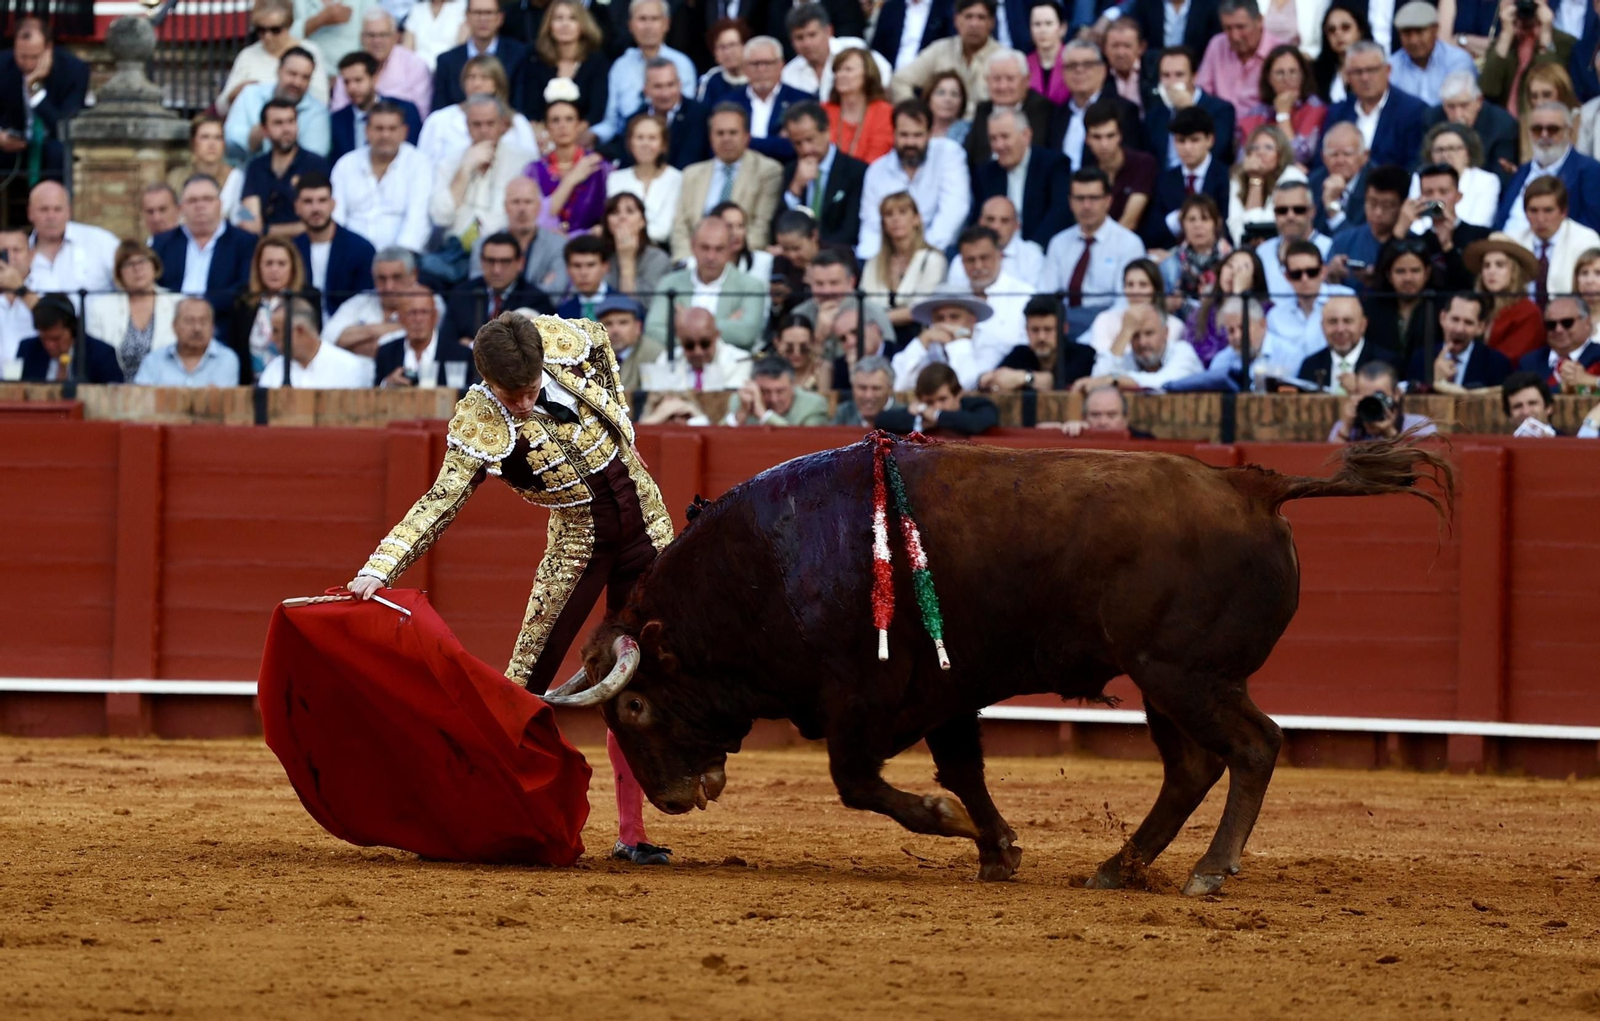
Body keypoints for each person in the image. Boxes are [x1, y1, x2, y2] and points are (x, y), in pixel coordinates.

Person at [345, 309, 676, 862]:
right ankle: (489, 819)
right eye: (510, 394)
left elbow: (599, 337)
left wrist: (622, 422)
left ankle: (633, 833)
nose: (522, 403)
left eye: (530, 390)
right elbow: (439, 503)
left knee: (644, 680)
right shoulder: (479, 422)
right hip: (579, 543)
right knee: (523, 686)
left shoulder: (561, 341)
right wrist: (379, 569)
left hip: (647, 521)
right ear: (486, 379)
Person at [857, 100, 972, 259]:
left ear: (930, 133)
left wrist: (919, 255)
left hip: (939, 252)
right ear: (894, 133)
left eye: (917, 135)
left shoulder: (949, 154)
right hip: (889, 258)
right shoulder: (876, 171)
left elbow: (953, 212)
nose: (910, 142)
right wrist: (872, 263)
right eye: (904, 135)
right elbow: (872, 226)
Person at [670, 104, 783, 260]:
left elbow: (760, 229)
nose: (726, 139)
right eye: (720, 133)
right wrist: (690, 260)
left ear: (747, 136)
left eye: (733, 132)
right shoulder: (692, 174)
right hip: (694, 261)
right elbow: (680, 228)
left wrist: (723, 259)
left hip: (741, 261)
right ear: (710, 137)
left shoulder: (767, 171)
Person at [1043, 168, 1148, 335]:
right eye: (1080, 198)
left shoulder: (1129, 244)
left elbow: (1124, 303)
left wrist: (1092, 335)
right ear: (1070, 202)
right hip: (1062, 326)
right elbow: (1046, 294)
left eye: (1093, 198)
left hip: (1107, 327)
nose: (1086, 206)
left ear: (1108, 201)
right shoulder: (1058, 243)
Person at [151, 176, 258, 334]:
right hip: (169, 325)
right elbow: (154, 285)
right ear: (181, 207)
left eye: (207, 199)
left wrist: (198, 310)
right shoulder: (163, 243)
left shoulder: (244, 242)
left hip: (223, 326)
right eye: (192, 200)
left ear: (220, 204)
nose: (200, 205)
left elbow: (243, 288)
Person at [429, 95, 537, 249]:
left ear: (502, 125)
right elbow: (441, 217)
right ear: (467, 126)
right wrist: (465, 169)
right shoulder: (450, 162)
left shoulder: (524, 162)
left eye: (490, 123)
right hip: (456, 250)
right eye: (476, 124)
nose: (484, 130)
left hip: (506, 249)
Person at [644, 217, 765, 350]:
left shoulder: (751, 286)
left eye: (719, 249)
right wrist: (721, 327)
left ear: (730, 249)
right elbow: (652, 330)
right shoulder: (670, 283)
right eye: (705, 248)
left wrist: (685, 325)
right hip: (678, 360)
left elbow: (746, 334)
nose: (711, 257)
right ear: (693, 246)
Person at [330, 103, 433, 252]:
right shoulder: (346, 164)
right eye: (379, 128)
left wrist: (397, 258)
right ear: (367, 131)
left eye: (392, 129)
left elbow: (417, 220)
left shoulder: (419, 164)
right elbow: (337, 217)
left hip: (402, 257)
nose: (385, 135)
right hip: (352, 257)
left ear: (404, 132)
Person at [593, 0, 697, 147]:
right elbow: (611, 122)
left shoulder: (681, 64)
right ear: (630, 25)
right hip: (625, 143)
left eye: (654, 19)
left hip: (672, 142)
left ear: (666, 24)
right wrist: (593, 135)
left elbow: (685, 114)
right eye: (642, 19)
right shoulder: (620, 66)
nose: (648, 26)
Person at [0, 17, 89, 183]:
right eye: (22, 56)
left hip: (52, 144)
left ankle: (53, 199)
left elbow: (64, 128)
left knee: (59, 151)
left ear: (48, 48)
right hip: (14, 145)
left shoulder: (74, 70)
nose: (28, 64)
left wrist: (35, 92)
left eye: (34, 57)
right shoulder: (3, 65)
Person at [1322, 40, 1432, 172]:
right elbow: (1322, 161)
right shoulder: (1338, 112)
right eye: (1357, 72)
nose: (1365, 78)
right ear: (1348, 76)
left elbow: (1415, 166)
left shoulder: (1413, 111)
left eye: (1371, 70)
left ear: (1387, 70)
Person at [971, 108, 1073, 246]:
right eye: (993, 139)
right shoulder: (986, 173)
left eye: (1005, 137)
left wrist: (1032, 250)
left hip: (1042, 249)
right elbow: (979, 219)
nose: (999, 145)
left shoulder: (1053, 165)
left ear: (1026, 135)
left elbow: (1060, 213)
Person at [417, 56, 539, 171]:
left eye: (484, 78)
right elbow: (423, 166)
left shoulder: (517, 122)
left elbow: (531, 163)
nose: (477, 84)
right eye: (471, 77)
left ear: (497, 83)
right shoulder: (439, 120)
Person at [1496, 103, 1600, 235]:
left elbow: (1591, 227)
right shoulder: (1523, 171)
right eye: (1537, 129)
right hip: (1504, 243)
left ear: (1569, 132)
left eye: (1552, 129)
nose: (1544, 135)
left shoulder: (1590, 171)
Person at [85, 242, 184, 380]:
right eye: (128, 264)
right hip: (115, 386)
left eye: (142, 261)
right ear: (119, 273)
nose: (137, 269)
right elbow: (94, 354)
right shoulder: (100, 307)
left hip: (167, 385)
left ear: (154, 266)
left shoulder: (178, 303)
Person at [777, 103, 869, 249]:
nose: (805, 149)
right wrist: (795, 189)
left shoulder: (856, 172)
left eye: (810, 140)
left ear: (826, 132)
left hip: (837, 254)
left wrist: (814, 249)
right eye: (797, 143)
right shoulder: (790, 172)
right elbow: (777, 228)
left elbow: (850, 231)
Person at [1044, 40, 1142, 171]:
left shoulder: (1124, 110)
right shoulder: (1055, 114)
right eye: (1072, 65)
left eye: (1087, 64)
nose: (1079, 70)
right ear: (1063, 73)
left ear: (1103, 70)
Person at [223, 47, 333, 164]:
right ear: (278, 71)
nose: (297, 82)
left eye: (305, 77)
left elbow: (314, 159)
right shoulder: (250, 94)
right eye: (292, 74)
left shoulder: (317, 111)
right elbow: (228, 142)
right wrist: (252, 139)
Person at [220, 0, 330, 116]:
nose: (267, 36)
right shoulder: (247, 55)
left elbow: (321, 100)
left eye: (275, 30)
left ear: (288, 25)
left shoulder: (310, 51)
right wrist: (235, 93)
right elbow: (222, 107)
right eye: (261, 29)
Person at [860, 191, 949, 333]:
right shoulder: (874, 263)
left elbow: (921, 308)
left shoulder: (933, 260)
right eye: (889, 214)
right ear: (883, 224)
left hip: (918, 333)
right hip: (876, 334)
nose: (895, 219)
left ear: (916, 219)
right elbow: (863, 304)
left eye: (902, 212)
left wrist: (879, 318)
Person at [240, 99, 333, 236]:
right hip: (262, 246)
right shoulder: (255, 167)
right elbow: (249, 219)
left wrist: (267, 231)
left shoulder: (315, 165)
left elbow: (319, 220)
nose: (286, 129)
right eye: (278, 123)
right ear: (264, 130)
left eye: (291, 121)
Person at [230, 235, 314, 383]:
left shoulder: (309, 298)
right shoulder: (244, 299)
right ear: (258, 267)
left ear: (293, 268)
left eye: (281, 264)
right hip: (252, 385)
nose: (274, 269)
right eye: (268, 263)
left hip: (296, 384)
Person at [952, 225, 1036, 371]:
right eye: (970, 260)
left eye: (984, 258)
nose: (978, 266)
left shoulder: (1025, 295)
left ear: (1000, 256)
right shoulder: (953, 299)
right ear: (962, 262)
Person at [1145, 105, 1230, 249]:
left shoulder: (1226, 177)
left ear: (1210, 140)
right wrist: (1174, 220)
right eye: (1181, 141)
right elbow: (1151, 231)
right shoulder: (1164, 180)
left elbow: (1229, 224)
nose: (1187, 148)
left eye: (1194, 140)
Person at [1480, 0, 1578, 124]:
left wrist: (1545, 36)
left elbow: (1549, 85)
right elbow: (1488, 89)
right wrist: (1506, 35)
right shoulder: (1503, 43)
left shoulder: (1565, 43)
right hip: (1505, 127)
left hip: (1544, 124)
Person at [445, 231, 551, 345]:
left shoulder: (535, 299)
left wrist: (472, 345)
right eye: (491, 261)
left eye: (505, 262)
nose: (497, 270)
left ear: (520, 263)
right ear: (481, 262)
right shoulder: (462, 294)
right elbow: (446, 345)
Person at [292, 173, 376, 317]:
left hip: (349, 324)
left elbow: (367, 301)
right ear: (297, 207)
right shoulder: (292, 249)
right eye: (308, 201)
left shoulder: (361, 249)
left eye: (322, 200)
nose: (316, 208)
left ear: (333, 204)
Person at [1262, 240, 1354, 371]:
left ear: (1323, 271)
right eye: (1296, 274)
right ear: (1287, 277)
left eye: (1312, 272)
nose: (1304, 279)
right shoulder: (1275, 316)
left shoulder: (1345, 298)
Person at [1143, 45, 1238, 171]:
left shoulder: (1221, 110)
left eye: (1179, 75)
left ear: (1194, 77)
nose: (1172, 82)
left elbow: (1217, 152)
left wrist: (1190, 111)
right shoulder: (1154, 115)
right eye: (1166, 75)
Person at [1508, 177, 1600, 306]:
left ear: (1563, 212)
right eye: (1533, 211)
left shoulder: (1585, 240)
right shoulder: (1514, 242)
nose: (1540, 218)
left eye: (1548, 210)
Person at [326, 9, 433, 117]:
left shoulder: (415, 65)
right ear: (362, 38)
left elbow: (421, 114)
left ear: (396, 37)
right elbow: (338, 111)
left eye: (383, 35)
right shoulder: (351, 66)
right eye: (371, 35)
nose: (377, 41)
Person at [978, 294, 1096, 391]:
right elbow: (995, 377)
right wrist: (988, 379)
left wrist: (1024, 378)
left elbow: (1058, 382)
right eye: (1035, 330)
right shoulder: (1020, 353)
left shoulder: (1083, 354)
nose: (1041, 337)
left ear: (1064, 329)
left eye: (1048, 329)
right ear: (1026, 330)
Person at [23, 182, 118, 301]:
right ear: (30, 213)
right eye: (44, 209)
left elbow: (132, 287)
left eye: (58, 209)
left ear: (69, 211)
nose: (51, 216)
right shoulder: (18, 253)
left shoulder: (101, 242)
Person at [1074, 303, 1203, 390]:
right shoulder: (1131, 358)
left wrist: (1115, 380)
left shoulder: (1183, 352)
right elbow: (1098, 380)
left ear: (1165, 333)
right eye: (1135, 335)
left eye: (1149, 333)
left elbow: (1164, 382)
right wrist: (1125, 333)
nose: (1142, 342)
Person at [1464, 233, 1547, 363]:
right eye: (1486, 265)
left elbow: (1509, 360)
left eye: (1500, 265)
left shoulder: (1528, 312)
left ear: (1514, 272)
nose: (1491, 271)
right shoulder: (1477, 308)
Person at [1237, 44, 1326, 167]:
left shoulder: (1315, 108)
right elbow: (1242, 162)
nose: (1287, 79)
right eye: (1279, 73)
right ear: (1269, 78)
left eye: (1293, 72)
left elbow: (1299, 156)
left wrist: (1283, 115)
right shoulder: (1255, 114)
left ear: (1302, 76)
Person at [1195, 0, 1283, 123]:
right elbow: (1203, 92)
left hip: (1263, 128)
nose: (1235, 36)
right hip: (1219, 126)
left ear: (1259, 20)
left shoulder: (1279, 52)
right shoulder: (1217, 44)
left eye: (1241, 27)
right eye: (1228, 28)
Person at [259, 294, 374, 387]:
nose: (272, 339)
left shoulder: (348, 368)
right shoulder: (273, 370)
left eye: (277, 331)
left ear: (300, 331)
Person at [1407, 292, 1513, 393]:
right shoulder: (1421, 359)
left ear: (1480, 327)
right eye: (1455, 319)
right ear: (1443, 318)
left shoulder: (1497, 364)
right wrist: (1436, 382)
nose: (1459, 329)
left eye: (1468, 322)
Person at [436, 0, 531, 112]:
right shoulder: (447, 61)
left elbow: (521, 104)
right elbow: (440, 110)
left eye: (488, 13)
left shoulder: (519, 55)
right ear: (467, 16)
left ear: (500, 18)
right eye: (477, 12)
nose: (482, 19)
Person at [329, 51, 424, 163]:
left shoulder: (405, 110)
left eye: (358, 80)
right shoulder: (337, 120)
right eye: (346, 82)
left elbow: (413, 153)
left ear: (374, 79)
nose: (352, 87)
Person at [966, 47, 1054, 168]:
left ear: (1026, 80)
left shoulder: (1042, 109)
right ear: (987, 81)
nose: (1003, 86)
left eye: (1010, 79)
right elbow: (973, 157)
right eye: (996, 79)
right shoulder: (983, 110)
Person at [1326, 165, 1413, 287]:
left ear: (1403, 205)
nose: (1378, 212)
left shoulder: (1415, 242)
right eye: (1372, 202)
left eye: (1387, 205)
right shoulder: (1343, 241)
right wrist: (1331, 275)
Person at [1428, 71, 1520, 186]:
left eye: (1464, 105)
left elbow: (1501, 178)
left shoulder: (1502, 125)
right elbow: (1423, 164)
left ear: (1479, 101)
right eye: (1451, 107)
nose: (1458, 114)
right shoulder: (1432, 119)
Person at [516, 0, 601, 125]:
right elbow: (530, 109)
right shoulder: (535, 60)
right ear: (549, 25)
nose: (565, 25)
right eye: (558, 18)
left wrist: (573, 134)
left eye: (572, 18)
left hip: (584, 134)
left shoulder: (597, 62)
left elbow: (596, 112)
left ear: (582, 25)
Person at [785, 3, 892, 100]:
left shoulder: (853, 48)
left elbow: (885, 78)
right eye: (799, 38)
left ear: (829, 31)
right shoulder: (789, 73)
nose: (807, 43)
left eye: (812, 35)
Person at [607, 114, 684, 248]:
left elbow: (665, 229)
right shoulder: (615, 178)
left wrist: (630, 231)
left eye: (652, 138)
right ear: (630, 143)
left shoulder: (677, 179)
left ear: (663, 145)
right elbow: (613, 222)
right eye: (639, 138)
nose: (645, 144)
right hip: (618, 247)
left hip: (662, 250)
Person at [891, 287, 989, 391]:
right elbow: (898, 384)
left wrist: (959, 342)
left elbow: (965, 384)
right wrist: (921, 343)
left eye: (954, 317)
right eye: (939, 318)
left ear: (972, 320)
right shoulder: (930, 344)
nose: (946, 323)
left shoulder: (987, 345)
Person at [734, 35, 812, 163]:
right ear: (745, 68)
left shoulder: (801, 101)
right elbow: (721, 147)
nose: (761, 69)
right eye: (755, 64)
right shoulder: (730, 102)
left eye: (768, 63)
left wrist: (745, 141)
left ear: (781, 65)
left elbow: (794, 147)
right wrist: (776, 142)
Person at [374, 288, 475, 387]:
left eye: (424, 312)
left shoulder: (461, 355)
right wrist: (386, 385)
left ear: (435, 316)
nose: (418, 319)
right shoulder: (386, 353)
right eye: (412, 313)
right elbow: (374, 391)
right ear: (400, 318)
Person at [131, 298, 242, 387]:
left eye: (203, 321)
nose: (197, 328)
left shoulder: (226, 359)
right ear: (174, 326)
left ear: (213, 327)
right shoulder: (154, 361)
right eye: (189, 321)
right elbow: (141, 401)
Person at [1297, 294, 1397, 393]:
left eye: (1347, 321)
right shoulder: (1310, 365)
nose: (1340, 329)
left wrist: (1359, 389)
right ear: (1323, 326)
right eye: (1333, 322)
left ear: (1363, 325)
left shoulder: (1387, 362)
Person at [1408, 124, 1500, 230]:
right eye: (1439, 150)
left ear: (1468, 153)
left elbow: (1480, 223)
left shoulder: (1486, 181)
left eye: (1453, 149)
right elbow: (1414, 224)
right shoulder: (1420, 178)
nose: (1445, 155)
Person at [1083, 101, 1156, 233]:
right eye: (1097, 137)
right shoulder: (1087, 173)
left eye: (1110, 136)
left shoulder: (1142, 164)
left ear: (1120, 136)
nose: (1104, 144)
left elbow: (1129, 221)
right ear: (1087, 139)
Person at [1385, 1, 1476, 106]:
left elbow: (1458, 106)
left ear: (1435, 30)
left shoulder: (1457, 61)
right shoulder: (1392, 66)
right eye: (1407, 33)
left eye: (1419, 32)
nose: (1413, 40)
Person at [642, 306, 755, 390]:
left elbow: (726, 405)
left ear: (716, 335)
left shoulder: (740, 361)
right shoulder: (666, 359)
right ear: (680, 340)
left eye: (705, 343)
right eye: (689, 345)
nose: (698, 352)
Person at [1186, 247, 1266, 365]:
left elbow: (1242, 349)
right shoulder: (1200, 313)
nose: (1234, 273)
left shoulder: (1264, 311)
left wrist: (1239, 294)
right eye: (1230, 265)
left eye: (1243, 269)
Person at [17, 295, 123, 384]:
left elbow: (115, 394)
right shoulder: (28, 349)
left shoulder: (101, 354)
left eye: (56, 339)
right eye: (44, 338)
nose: (49, 345)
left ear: (72, 329)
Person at [1158, 195, 1232, 320]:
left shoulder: (1231, 259)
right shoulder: (1170, 261)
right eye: (1191, 220)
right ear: (1183, 225)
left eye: (1205, 219)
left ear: (1216, 223)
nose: (1197, 225)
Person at [876, 362, 999, 436]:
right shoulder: (921, 413)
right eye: (929, 402)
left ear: (958, 394)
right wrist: (920, 421)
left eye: (943, 399)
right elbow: (882, 420)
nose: (937, 406)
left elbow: (975, 423)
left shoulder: (979, 406)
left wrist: (936, 415)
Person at [950, 195, 1046, 287]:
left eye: (1004, 221)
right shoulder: (961, 260)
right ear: (980, 222)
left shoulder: (1032, 258)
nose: (995, 227)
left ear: (1017, 226)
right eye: (990, 219)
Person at [1328, 360, 1437, 441]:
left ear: (1397, 394)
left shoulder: (1419, 426)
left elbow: (1419, 462)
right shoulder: (1344, 427)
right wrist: (1346, 427)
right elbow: (1329, 461)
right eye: (1366, 398)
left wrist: (1390, 433)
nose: (1373, 404)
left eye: (1379, 397)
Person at [168, 116, 247, 225]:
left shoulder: (237, 179)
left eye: (218, 138)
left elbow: (247, 217)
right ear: (193, 142)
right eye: (205, 137)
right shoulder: (176, 178)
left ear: (223, 143)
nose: (212, 144)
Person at [823, 46, 895, 164]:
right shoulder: (823, 111)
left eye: (848, 69)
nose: (840, 74)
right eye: (837, 70)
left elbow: (878, 156)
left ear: (867, 74)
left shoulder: (885, 112)